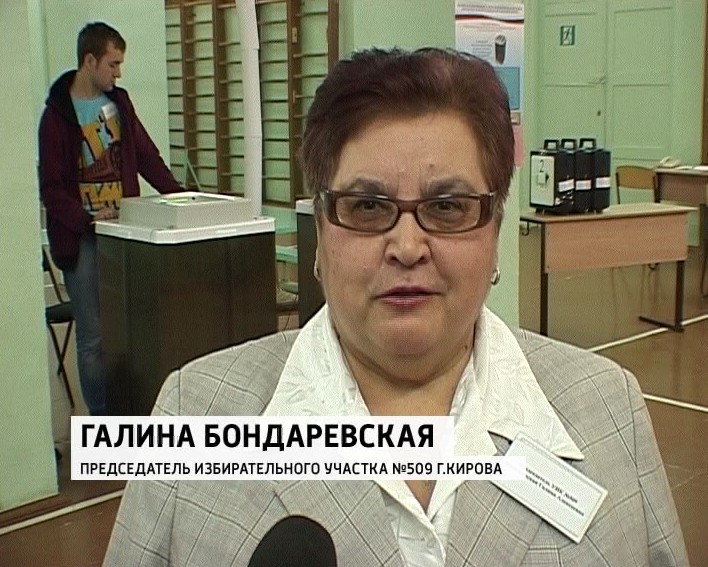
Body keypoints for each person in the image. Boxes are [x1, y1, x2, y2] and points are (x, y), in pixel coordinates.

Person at [103, 48, 688, 566]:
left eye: (449, 207)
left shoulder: (608, 407)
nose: (407, 247)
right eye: (366, 207)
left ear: (494, 234)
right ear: (320, 234)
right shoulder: (193, 411)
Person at [39, 22, 183, 416]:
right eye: (113, 64)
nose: (118, 73)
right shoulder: (56, 117)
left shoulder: (119, 104)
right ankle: (102, 420)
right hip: (82, 238)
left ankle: (132, 412)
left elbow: (147, 156)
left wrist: (180, 197)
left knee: (130, 330)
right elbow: (52, 189)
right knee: (93, 337)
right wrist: (87, 220)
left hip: (123, 234)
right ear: (90, 61)